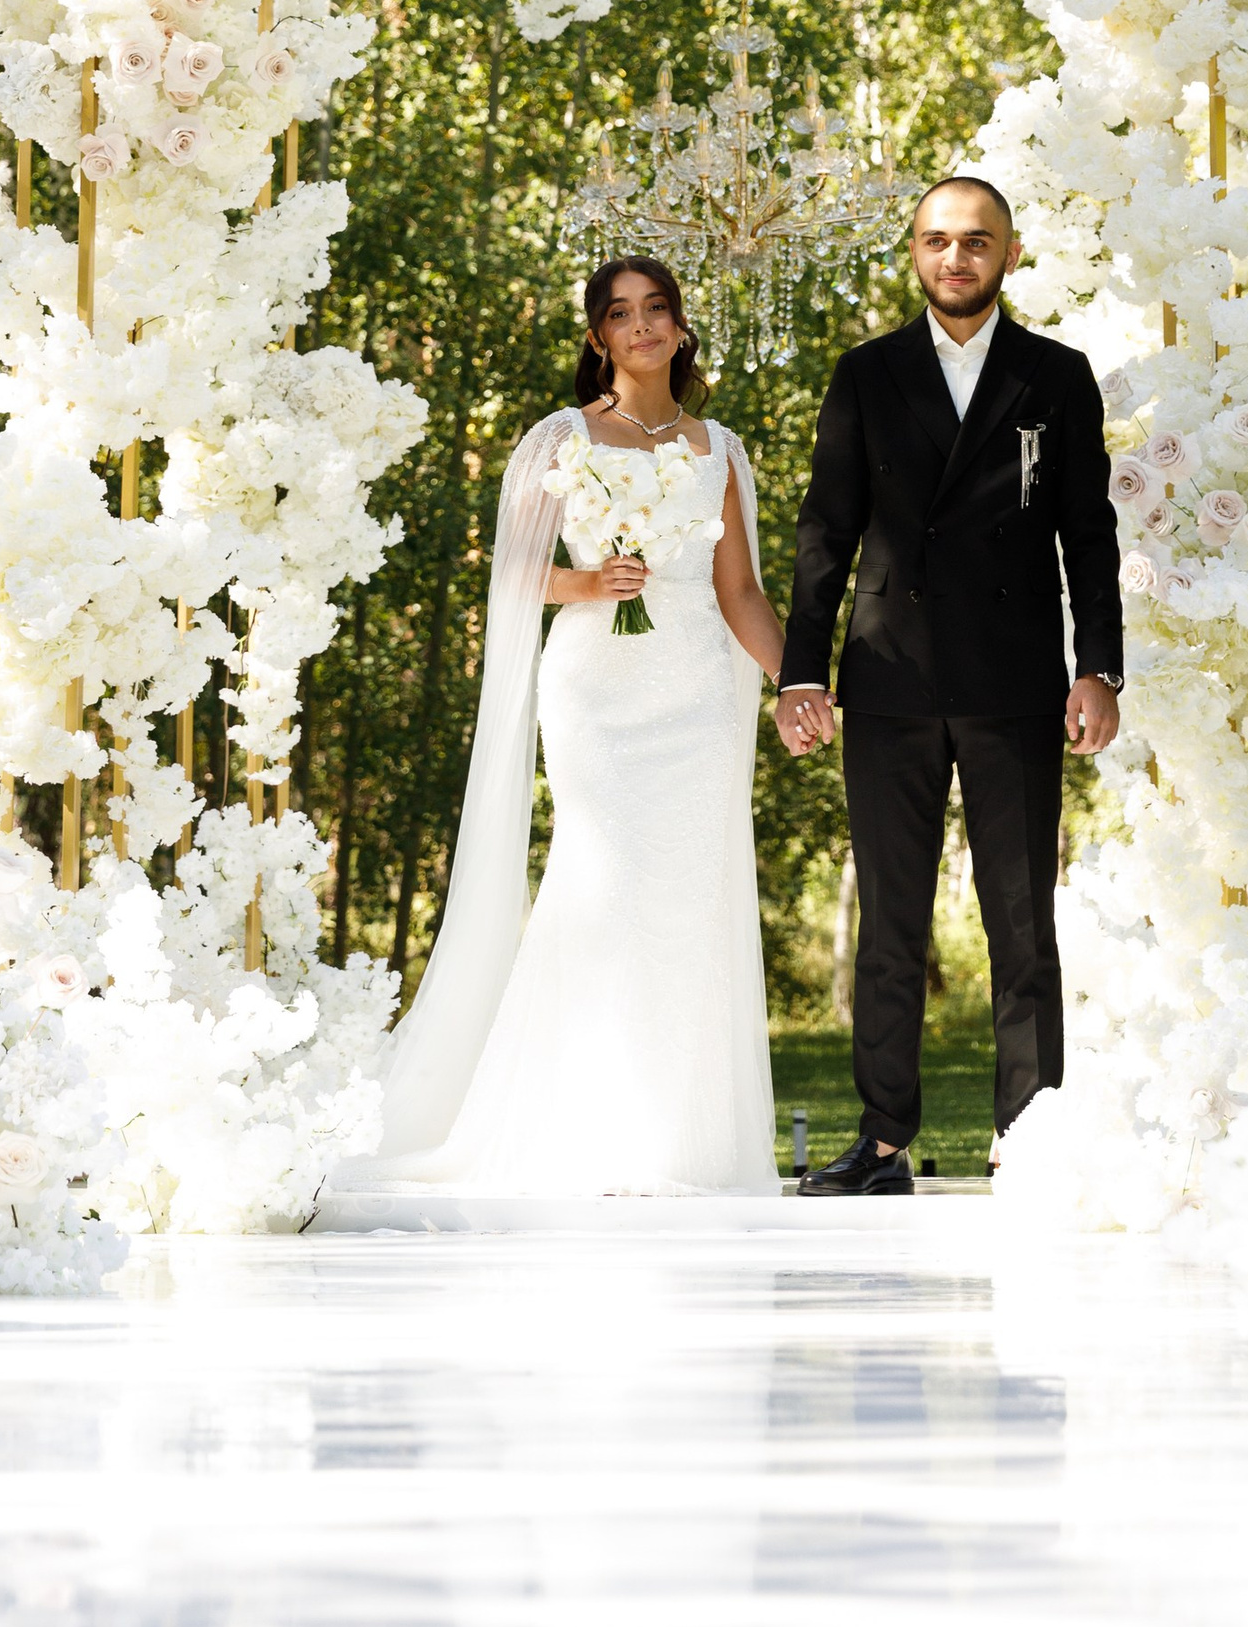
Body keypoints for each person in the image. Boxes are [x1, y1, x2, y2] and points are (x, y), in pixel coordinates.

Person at [347, 256, 785, 1198]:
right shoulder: (561, 438)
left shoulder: (721, 448)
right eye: (620, 315)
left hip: (702, 693)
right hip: (597, 690)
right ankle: (591, 1128)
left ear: (679, 326)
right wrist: (589, 583)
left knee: (689, 897)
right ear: (597, 338)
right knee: (607, 880)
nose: (641, 327)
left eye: (657, 309)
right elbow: (514, 577)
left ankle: (680, 1145)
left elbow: (740, 590)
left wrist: (800, 681)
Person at [776, 177, 1121, 1195]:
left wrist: (1096, 667)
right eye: (935, 241)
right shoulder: (867, 374)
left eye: (974, 242)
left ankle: (1031, 1143)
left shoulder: (1055, 376)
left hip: (1014, 678)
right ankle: (883, 1143)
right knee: (891, 925)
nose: (954, 258)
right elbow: (823, 533)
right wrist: (802, 670)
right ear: (913, 255)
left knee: (1021, 923)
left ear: (1008, 254)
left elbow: (1088, 534)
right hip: (887, 676)